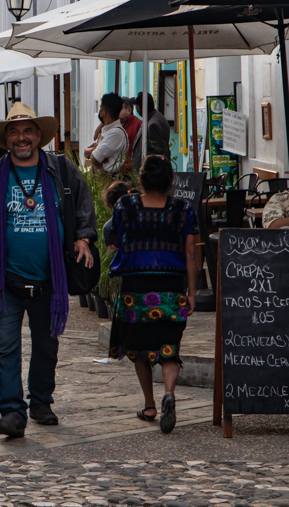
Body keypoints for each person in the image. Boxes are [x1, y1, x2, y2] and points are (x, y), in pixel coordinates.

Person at [0, 102, 96, 438]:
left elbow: (83, 204)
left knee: (46, 346)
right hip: (6, 283)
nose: (21, 137)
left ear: (39, 136)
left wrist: (84, 238)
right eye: (14, 132)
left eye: (28, 131)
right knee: (5, 350)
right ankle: (13, 412)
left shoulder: (62, 170)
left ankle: (41, 401)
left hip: (50, 281)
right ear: (6, 139)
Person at [107, 155, 197, 434]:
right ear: (171, 181)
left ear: (141, 181)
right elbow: (191, 254)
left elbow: (114, 237)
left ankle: (149, 405)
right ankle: (169, 392)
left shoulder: (125, 206)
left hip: (136, 289)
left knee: (140, 349)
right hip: (172, 287)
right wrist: (192, 293)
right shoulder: (183, 209)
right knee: (169, 346)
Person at [85, 93, 129, 175]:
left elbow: (94, 158)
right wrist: (94, 149)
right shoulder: (108, 130)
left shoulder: (116, 133)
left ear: (103, 112)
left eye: (100, 109)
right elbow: (86, 152)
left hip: (109, 179)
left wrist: (93, 149)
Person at [132, 92, 172, 169]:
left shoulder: (153, 125)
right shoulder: (152, 117)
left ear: (139, 108)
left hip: (152, 173)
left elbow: (160, 152)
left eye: (136, 106)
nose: (136, 109)